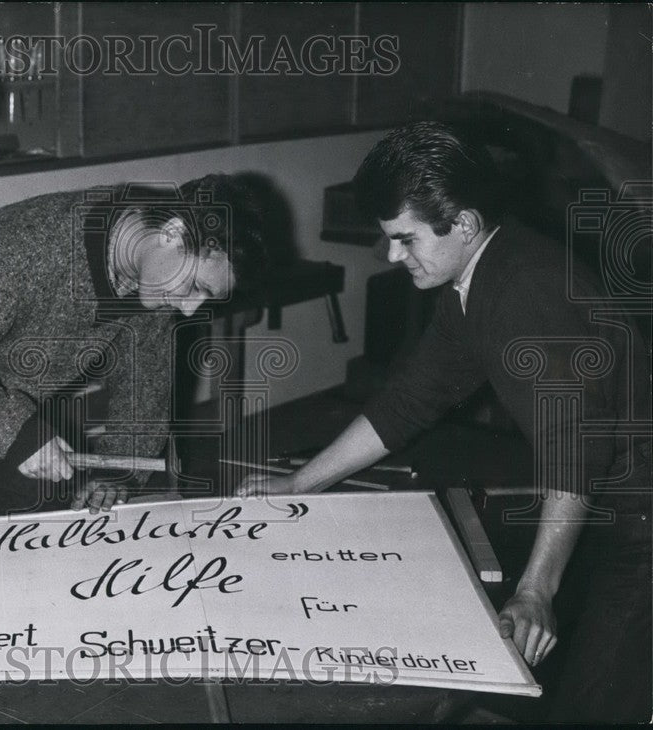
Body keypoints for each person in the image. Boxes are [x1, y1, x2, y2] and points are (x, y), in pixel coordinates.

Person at [238, 122, 651, 722]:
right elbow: (408, 399)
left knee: (597, 708)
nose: (391, 255)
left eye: (405, 239)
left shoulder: (523, 293)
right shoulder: (475, 277)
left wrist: (537, 589)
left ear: (462, 222)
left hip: (639, 515)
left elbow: (573, 449)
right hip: (604, 492)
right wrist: (303, 484)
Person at [0, 175, 267, 522]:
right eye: (196, 286)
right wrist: (17, 433)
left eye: (206, 298)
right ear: (173, 232)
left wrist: (118, 474)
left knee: (46, 534)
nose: (190, 309)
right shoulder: (34, 242)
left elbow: (143, 389)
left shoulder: (156, 280)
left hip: (21, 398)